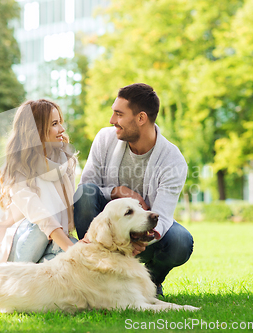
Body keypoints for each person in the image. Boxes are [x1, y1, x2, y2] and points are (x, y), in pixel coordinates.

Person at [74, 83, 193, 297]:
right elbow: (86, 187)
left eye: (119, 114)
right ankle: (91, 273)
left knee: (180, 241)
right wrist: (117, 191)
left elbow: (163, 218)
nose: (112, 121)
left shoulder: (173, 161)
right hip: (108, 227)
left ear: (141, 118)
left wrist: (142, 239)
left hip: (145, 229)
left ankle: (149, 283)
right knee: (84, 195)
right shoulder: (104, 139)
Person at [0, 99, 77, 269]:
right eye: (54, 124)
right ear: (35, 131)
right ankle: (10, 276)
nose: (62, 129)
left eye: (60, 122)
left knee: (71, 265)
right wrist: (74, 251)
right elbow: (39, 214)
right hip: (18, 246)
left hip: (53, 241)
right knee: (43, 228)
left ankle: (38, 275)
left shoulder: (64, 162)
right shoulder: (17, 168)